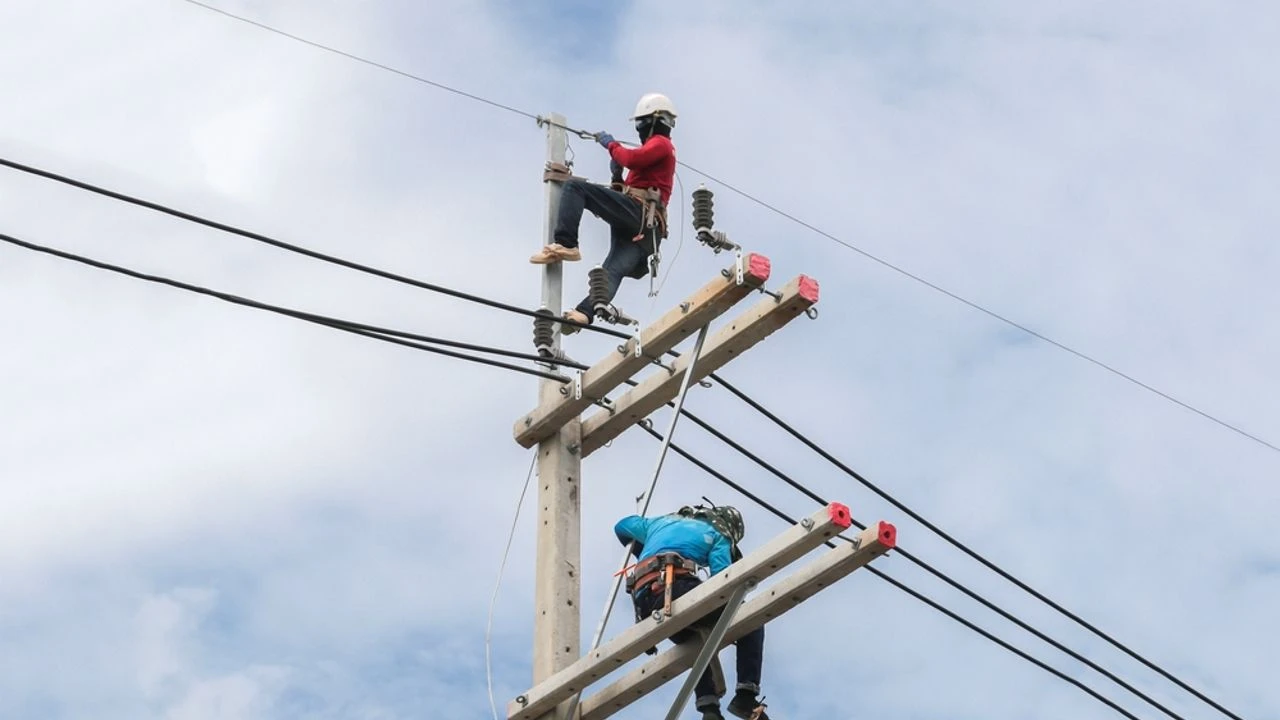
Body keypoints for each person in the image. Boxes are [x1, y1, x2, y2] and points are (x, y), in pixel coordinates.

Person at [529, 93, 678, 330]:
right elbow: (631, 184)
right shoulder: (657, 153)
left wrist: (610, 144)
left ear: (651, 122)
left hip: (640, 216)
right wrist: (617, 177)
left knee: (576, 189)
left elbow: (629, 157)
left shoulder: (661, 144)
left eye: (640, 124)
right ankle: (583, 314)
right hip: (646, 232)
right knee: (614, 269)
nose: (639, 129)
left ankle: (566, 243)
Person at [614, 505, 769, 720]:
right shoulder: (718, 535)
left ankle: (710, 710)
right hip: (676, 588)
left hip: (646, 605)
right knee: (751, 619)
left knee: (696, 641)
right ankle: (746, 696)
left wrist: (648, 552)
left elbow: (621, 526)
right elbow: (723, 583)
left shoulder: (657, 523)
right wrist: (734, 612)